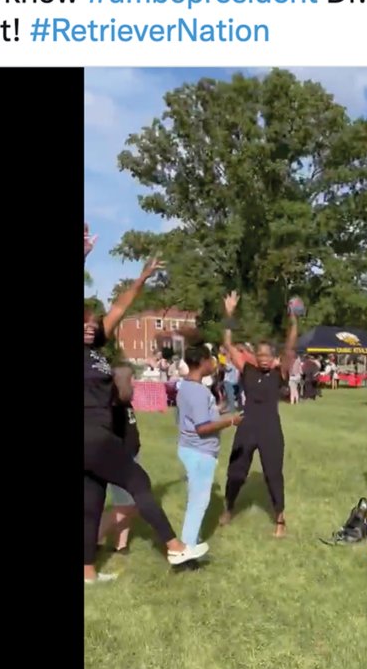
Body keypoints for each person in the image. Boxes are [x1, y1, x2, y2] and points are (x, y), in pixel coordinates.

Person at [84, 225, 207, 582]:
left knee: (91, 503)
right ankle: (174, 546)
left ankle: (87, 572)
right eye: (84, 323)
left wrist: (141, 279)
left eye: (93, 323)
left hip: (94, 437)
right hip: (92, 433)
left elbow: (121, 306)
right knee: (138, 481)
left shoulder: (98, 351)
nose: (90, 327)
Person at [220, 291, 298, 537]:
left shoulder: (279, 373)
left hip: (270, 429)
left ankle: (280, 517)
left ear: (274, 357)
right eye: (260, 354)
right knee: (236, 472)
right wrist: (229, 315)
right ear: (255, 355)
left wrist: (293, 322)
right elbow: (228, 345)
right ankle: (229, 507)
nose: (264, 359)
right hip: (247, 426)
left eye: (268, 355)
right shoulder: (248, 369)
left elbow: (290, 347)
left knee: (273, 474)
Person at [177, 345, 243, 548]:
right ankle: (187, 548)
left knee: (195, 500)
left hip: (191, 449)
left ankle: (191, 540)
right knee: (199, 503)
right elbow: (203, 427)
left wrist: (220, 414)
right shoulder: (197, 391)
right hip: (199, 452)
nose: (213, 365)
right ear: (202, 362)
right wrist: (231, 421)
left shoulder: (185, 386)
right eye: (211, 361)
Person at [96, 364, 138, 557]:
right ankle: (92, 538)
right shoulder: (112, 407)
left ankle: (121, 545)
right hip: (120, 459)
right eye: (132, 380)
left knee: (126, 503)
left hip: (131, 455)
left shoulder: (125, 402)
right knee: (125, 506)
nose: (135, 384)